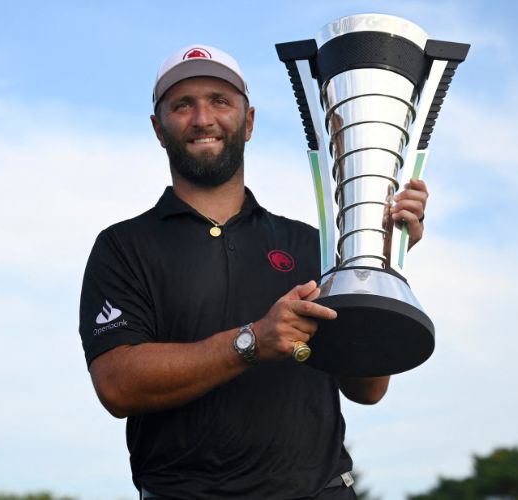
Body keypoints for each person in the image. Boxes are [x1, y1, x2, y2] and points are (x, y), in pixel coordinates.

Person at [78, 44, 429, 500]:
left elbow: (368, 387)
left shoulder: (313, 245)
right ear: (158, 129)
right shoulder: (124, 246)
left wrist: (378, 262)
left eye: (220, 101)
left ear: (248, 122)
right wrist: (252, 342)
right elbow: (118, 385)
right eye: (182, 105)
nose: (203, 118)